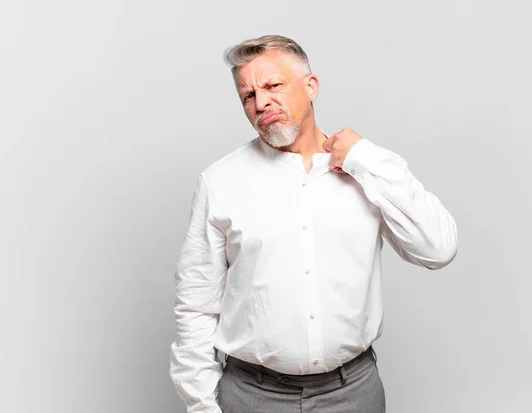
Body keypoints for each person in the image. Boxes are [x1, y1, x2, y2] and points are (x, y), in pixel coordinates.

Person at [169, 34, 458, 413]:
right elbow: (196, 306)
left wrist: (365, 159)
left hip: (352, 393)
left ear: (311, 87)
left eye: (273, 86)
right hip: (251, 396)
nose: (261, 103)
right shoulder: (220, 182)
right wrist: (202, 406)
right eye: (248, 96)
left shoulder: (366, 171)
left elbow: (437, 249)